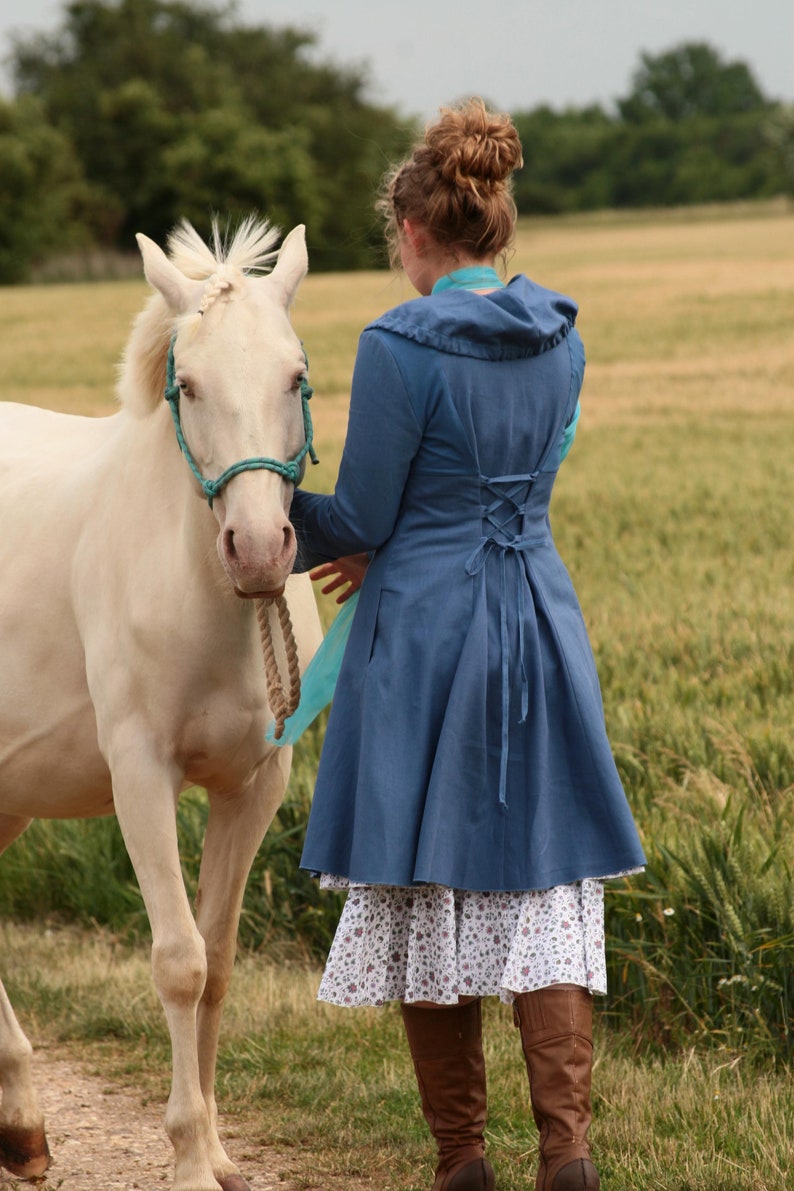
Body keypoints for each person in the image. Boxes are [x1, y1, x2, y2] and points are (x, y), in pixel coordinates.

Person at [289, 97, 646, 1191]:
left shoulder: (396, 344)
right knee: (540, 878)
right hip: (538, 618)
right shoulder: (561, 335)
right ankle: (566, 1151)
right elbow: (524, 482)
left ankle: (460, 1163)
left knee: (419, 872)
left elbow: (361, 518)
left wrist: (267, 507)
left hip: (428, 637)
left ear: (411, 233)